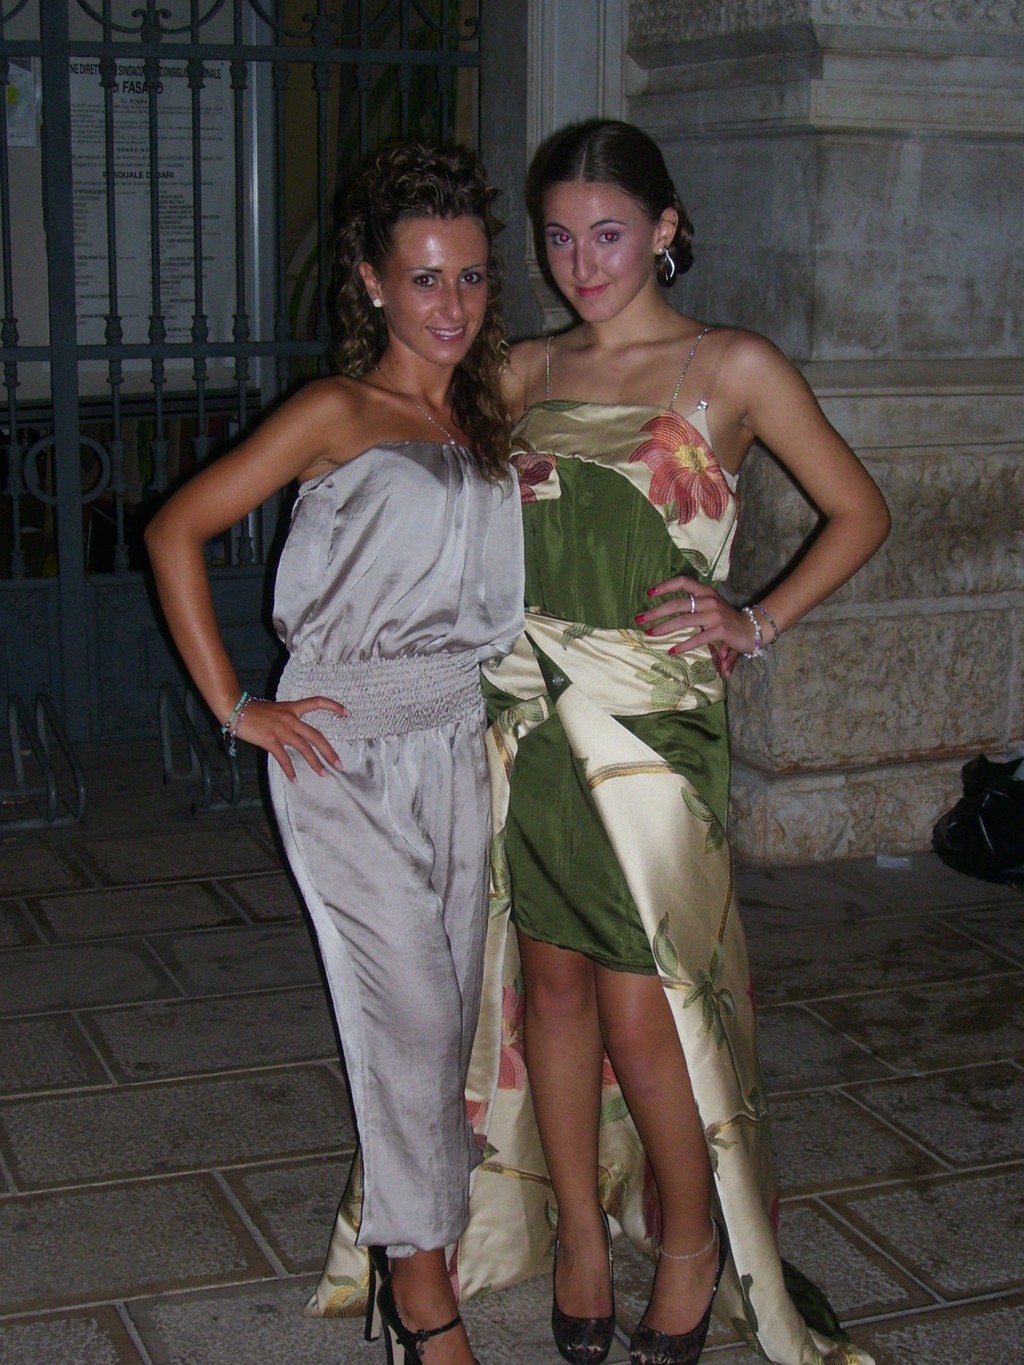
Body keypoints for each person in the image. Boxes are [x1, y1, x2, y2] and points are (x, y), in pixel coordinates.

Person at [479, 119, 891, 1365]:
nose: (581, 264)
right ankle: (579, 1239)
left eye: (608, 234)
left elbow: (858, 512)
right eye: (558, 238)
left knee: (641, 1003)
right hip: (531, 717)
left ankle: (692, 1244)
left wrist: (750, 619)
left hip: (654, 727)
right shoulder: (522, 371)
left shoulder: (732, 366)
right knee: (550, 983)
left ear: (664, 228)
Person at [145, 140, 524, 1365]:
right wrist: (236, 705)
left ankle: (417, 1247)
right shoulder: (335, 411)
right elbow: (175, 529)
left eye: (470, 276)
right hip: (343, 753)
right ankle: (421, 1294)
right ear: (370, 281)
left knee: (444, 1020)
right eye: (423, 278)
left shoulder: (480, 412)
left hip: (453, 743)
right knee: (406, 1019)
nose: (451, 305)